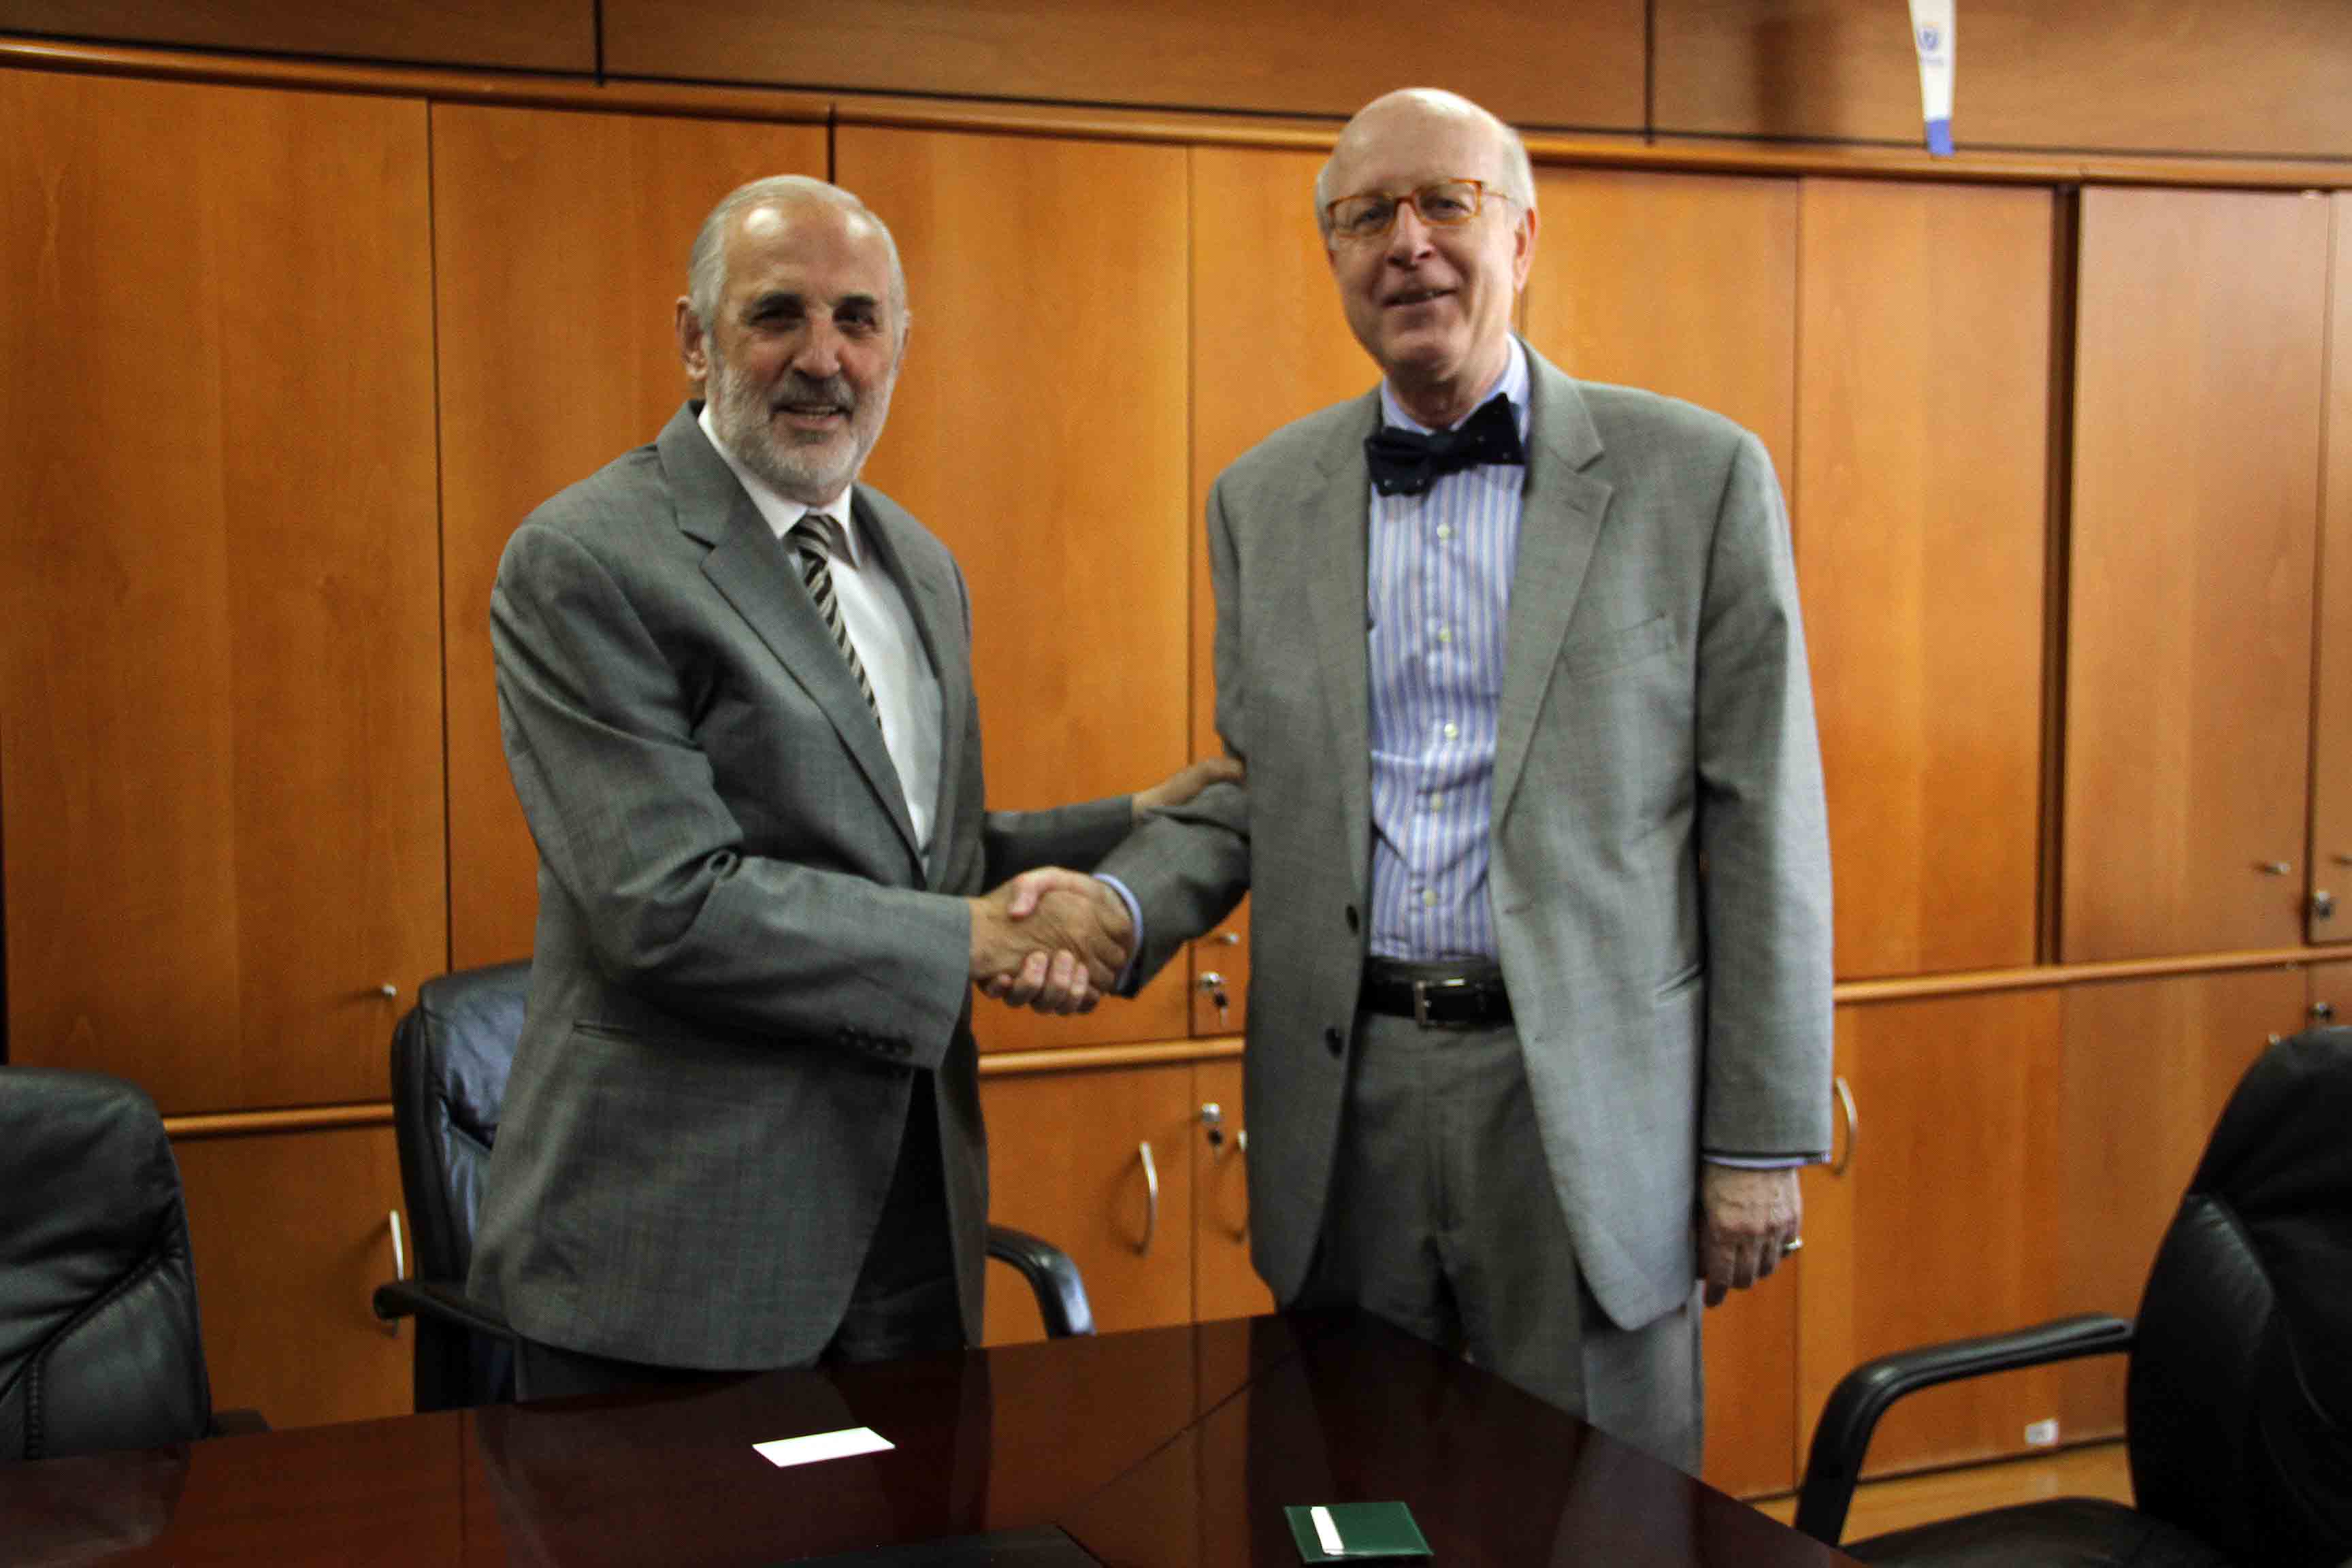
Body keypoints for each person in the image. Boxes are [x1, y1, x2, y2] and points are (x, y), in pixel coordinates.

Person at [1095, 88, 1833, 1469]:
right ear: (1332, 256)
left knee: (1600, 1514)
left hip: (1585, 1109)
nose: (1409, 243)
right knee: (1345, 1499)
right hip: (1345, 1096)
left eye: (1446, 203)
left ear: (1525, 237)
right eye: (1367, 215)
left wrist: (1758, 1140)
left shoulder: (1699, 478)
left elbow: (1767, 822)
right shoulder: (1259, 500)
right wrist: (1114, 912)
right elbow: (1262, 792)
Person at [468, 175, 1218, 1399]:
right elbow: (668, 902)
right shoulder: (589, 558)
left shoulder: (917, 565)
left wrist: (1136, 824)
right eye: (778, 316)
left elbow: (918, 863)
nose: (823, 359)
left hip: (908, 1237)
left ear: (898, 351)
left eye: (859, 321)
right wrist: (972, 939)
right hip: (675, 1270)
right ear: (695, 341)